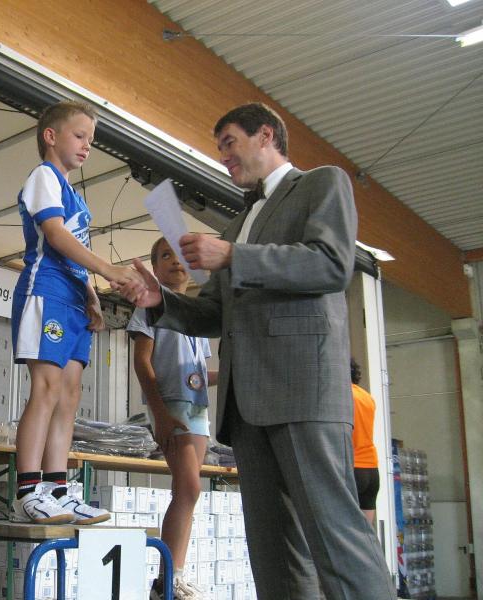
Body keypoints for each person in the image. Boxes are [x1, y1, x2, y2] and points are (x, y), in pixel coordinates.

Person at [117, 103, 395, 599]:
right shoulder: (238, 224)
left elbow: (332, 264)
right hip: (245, 408)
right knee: (272, 550)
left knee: (335, 537)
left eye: (229, 143)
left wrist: (234, 256)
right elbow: (214, 313)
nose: (223, 156)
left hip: (303, 390)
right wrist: (162, 302)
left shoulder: (321, 183)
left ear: (266, 135)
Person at [10, 100, 144, 524]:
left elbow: (75, 247)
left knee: (70, 395)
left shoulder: (75, 195)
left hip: (72, 297)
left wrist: (91, 294)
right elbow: (54, 235)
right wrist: (107, 270)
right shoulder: (43, 177)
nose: (88, 146)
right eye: (80, 135)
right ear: (51, 136)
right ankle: (28, 491)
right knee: (47, 389)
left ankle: (57, 489)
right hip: (46, 291)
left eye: (92, 139)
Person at [127, 237, 217, 600]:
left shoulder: (196, 311)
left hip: (198, 406)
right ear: (154, 267)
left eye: (181, 256)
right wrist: (160, 414)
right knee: (190, 487)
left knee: (187, 492)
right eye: (166, 256)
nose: (176, 261)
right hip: (172, 404)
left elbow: (200, 371)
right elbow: (142, 362)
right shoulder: (150, 305)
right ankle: (168, 577)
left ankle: (172, 577)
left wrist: (234, 373)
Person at [351, 358, 380, 527]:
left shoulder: (341, 396)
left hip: (352, 468)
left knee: (345, 532)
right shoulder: (367, 397)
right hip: (371, 470)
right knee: (366, 533)